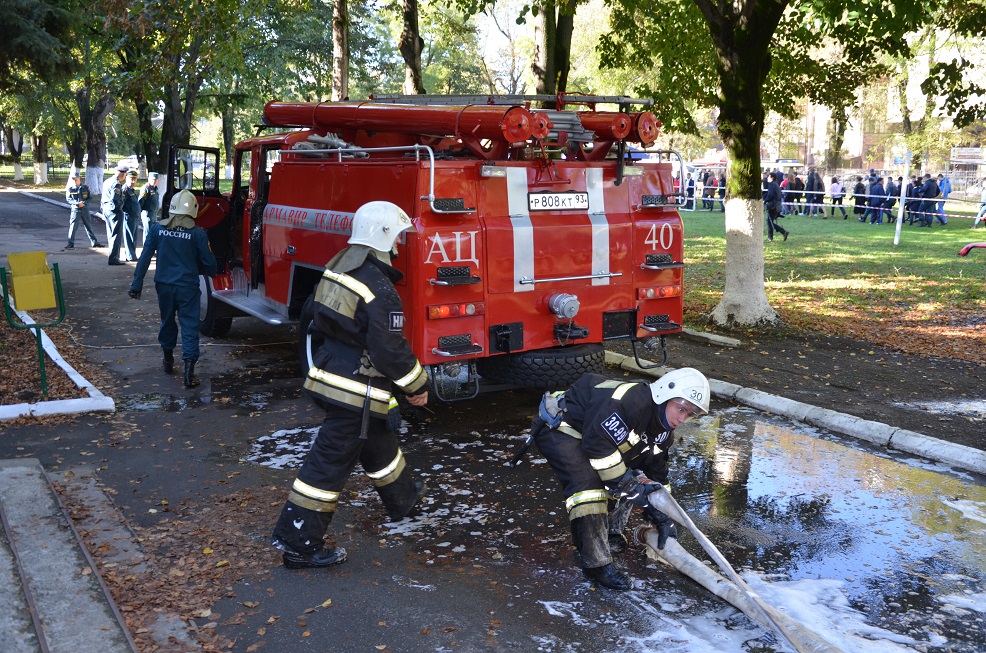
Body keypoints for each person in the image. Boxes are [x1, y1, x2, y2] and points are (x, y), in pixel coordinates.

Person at [270, 201, 430, 570]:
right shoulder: (379, 288)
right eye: (397, 239)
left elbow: (312, 316)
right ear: (385, 237)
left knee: (376, 440)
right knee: (325, 469)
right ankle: (300, 544)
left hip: (331, 376)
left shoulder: (337, 267)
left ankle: (404, 500)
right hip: (355, 392)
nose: (398, 247)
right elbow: (390, 351)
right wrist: (417, 385)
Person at [529, 367, 710, 590]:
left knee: (634, 478)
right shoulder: (630, 404)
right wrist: (629, 486)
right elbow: (599, 449)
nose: (682, 419)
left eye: (689, 414)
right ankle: (596, 564)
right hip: (563, 429)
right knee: (589, 490)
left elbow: (657, 472)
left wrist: (663, 516)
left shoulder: (663, 429)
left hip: (595, 437)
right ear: (664, 395)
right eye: (680, 409)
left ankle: (610, 531)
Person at [128, 189, 217, 388]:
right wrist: (209, 270)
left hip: (164, 286)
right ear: (193, 210)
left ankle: (168, 361)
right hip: (187, 288)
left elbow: (144, 258)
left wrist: (136, 285)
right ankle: (188, 374)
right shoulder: (198, 234)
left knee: (167, 321)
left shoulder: (156, 229)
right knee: (189, 326)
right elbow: (209, 263)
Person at [101, 163, 130, 265]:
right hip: (114, 211)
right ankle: (114, 258)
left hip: (106, 209)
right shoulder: (116, 184)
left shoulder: (107, 181)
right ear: (122, 175)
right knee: (116, 235)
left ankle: (113, 256)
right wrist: (119, 208)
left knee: (111, 234)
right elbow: (115, 200)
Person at [65, 172, 102, 249]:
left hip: (85, 209)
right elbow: (69, 199)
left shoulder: (85, 188)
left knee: (88, 226)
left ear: (79, 178)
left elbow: (90, 197)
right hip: (76, 210)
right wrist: (77, 203)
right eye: (73, 179)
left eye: (76, 179)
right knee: (73, 227)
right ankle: (70, 243)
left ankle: (94, 242)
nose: (75, 180)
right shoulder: (70, 189)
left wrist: (84, 203)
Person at [763, 171, 789, 242]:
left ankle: (782, 232)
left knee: (769, 222)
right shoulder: (776, 184)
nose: (767, 178)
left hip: (773, 206)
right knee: (770, 221)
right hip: (777, 205)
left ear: (772, 177)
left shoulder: (771, 184)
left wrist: (765, 201)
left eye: (769, 176)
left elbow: (770, 195)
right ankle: (771, 237)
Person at [122, 169, 141, 261]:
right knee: (129, 237)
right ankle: (130, 256)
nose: (133, 181)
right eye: (131, 179)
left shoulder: (131, 190)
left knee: (134, 237)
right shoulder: (125, 190)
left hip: (134, 217)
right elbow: (121, 204)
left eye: (135, 179)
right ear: (126, 178)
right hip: (128, 216)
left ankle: (132, 254)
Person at [138, 172, 162, 246]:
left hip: (153, 214)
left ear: (158, 180)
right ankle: (146, 248)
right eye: (152, 180)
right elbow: (141, 201)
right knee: (147, 233)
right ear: (149, 179)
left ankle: (150, 248)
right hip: (147, 214)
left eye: (155, 180)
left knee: (152, 233)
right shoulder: (146, 189)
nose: (154, 181)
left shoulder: (155, 188)